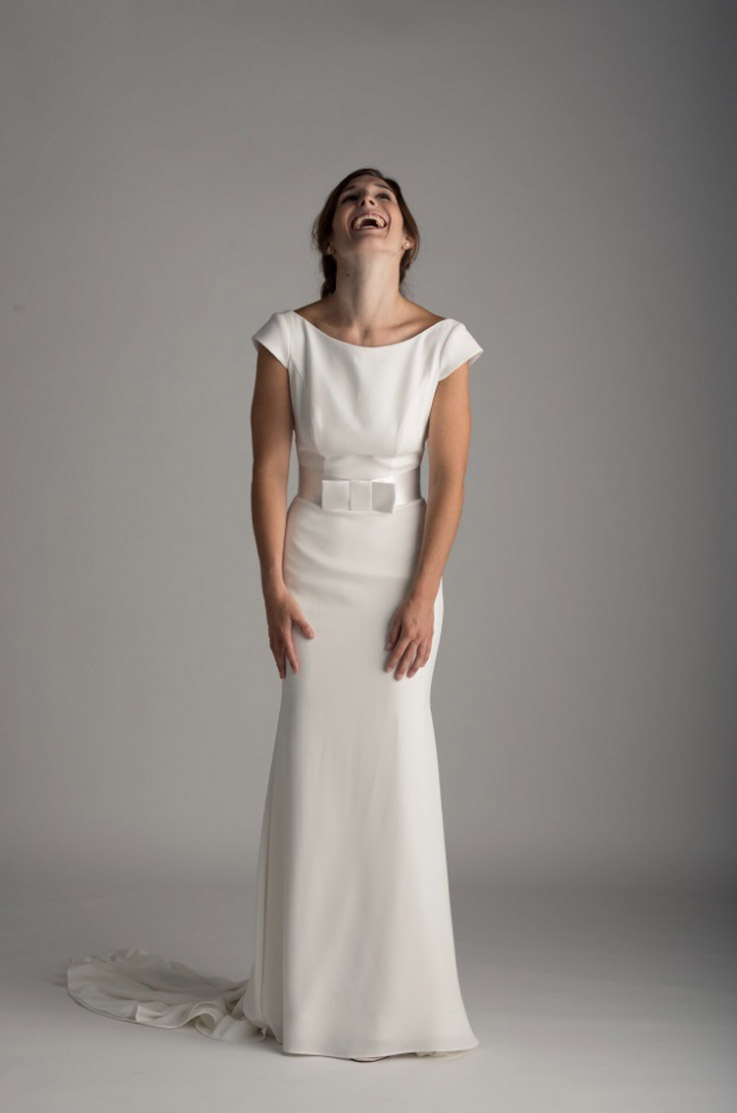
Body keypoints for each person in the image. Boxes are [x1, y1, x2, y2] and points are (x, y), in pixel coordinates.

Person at [66, 167, 483, 1062]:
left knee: (397, 767)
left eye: (383, 198)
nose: (367, 205)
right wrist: (270, 580)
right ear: (329, 236)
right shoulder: (287, 335)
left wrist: (422, 590)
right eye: (350, 199)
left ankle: (404, 997)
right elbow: (266, 469)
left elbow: (447, 479)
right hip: (315, 562)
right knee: (315, 768)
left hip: (400, 564)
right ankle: (310, 993)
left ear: (406, 234)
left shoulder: (443, 342)